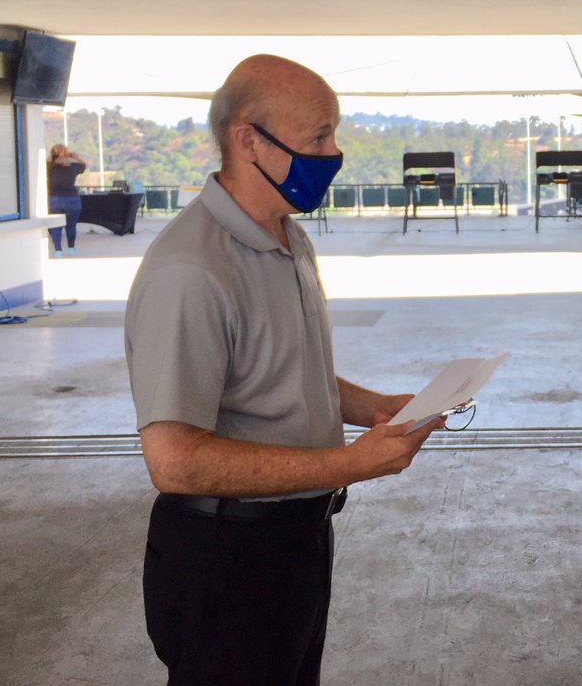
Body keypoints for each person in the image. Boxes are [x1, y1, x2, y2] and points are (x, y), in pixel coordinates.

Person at [125, 54, 442, 686]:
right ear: (248, 141)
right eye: (318, 136)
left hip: (294, 538)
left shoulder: (286, 238)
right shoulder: (192, 271)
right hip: (226, 556)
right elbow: (175, 461)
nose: (333, 152)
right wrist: (351, 463)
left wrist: (374, 408)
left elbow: (285, 373)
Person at [46, 143, 86, 256]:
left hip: (54, 199)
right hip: (72, 198)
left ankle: (58, 250)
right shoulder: (73, 167)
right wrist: (74, 157)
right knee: (71, 225)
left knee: (55, 226)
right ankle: (71, 248)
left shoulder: (48, 166)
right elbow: (83, 165)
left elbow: (46, 161)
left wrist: (54, 156)